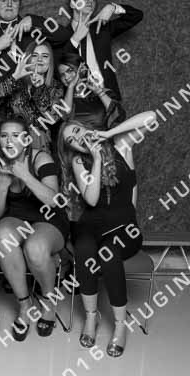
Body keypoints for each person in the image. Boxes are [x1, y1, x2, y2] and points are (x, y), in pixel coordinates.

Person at [57, 111, 156, 357]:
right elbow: (91, 199)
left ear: (86, 127)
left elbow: (151, 116)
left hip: (124, 230)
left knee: (109, 252)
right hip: (90, 227)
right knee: (83, 249)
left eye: (77, 131)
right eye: (71, 140)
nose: (77, 139)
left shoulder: (122, 145)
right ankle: (91, 317)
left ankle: (120, 326)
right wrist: (97, 159)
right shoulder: (78, 162)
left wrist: (109, 133)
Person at [0, 117, 69, 342]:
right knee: (2, 236)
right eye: (4, 136)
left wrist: (24, 175)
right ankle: (24, 305)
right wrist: (2, 186)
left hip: (49, 218)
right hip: (17, 218)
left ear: (26, 140)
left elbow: (53, 201)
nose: (9, 141)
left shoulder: (41, 157)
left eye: (15, 136)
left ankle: (49, 302)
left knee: (35, 247)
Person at [60, 0, 143, 102]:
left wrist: (112, 8)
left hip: (107, 97)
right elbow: (59, 63)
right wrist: (75, 39)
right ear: (73, 3)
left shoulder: (103, 28)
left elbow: (137, 16)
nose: (90, 1)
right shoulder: (61, 34)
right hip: (77, 101)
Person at [0, 41, 64, 151]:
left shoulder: (55, 86)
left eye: (45, 56)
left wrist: (40, 88)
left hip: (39, 142)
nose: (39, 59)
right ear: (28, 58)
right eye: (35, 55)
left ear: (50, 61)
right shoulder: (16, 80)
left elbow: (52, 118)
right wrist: (15, 77)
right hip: (11, 140)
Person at [58, 52, 126, 131]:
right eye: (62, 75)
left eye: (70, 70)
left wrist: (99, 92)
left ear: (82, 69)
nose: (66, 77)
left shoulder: (103, 93)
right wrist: (71, 86)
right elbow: (65, 116)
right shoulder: (64, 101)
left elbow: (119, 116)